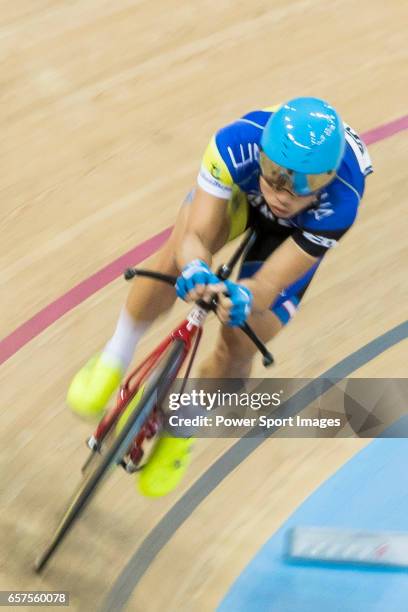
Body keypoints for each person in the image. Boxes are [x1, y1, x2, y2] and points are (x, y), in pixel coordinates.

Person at [67, 97, 372, 497]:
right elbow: (196, 236)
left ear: (328, 178)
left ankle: (185, 423)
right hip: (241, 198)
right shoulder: (234, 146)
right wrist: (195, 267)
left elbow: (267, 284)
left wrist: (243, 299)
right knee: (173, 260)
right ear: (262, 155)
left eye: (305, 184)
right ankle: (115, 354)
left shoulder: (341, 202)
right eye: (276, 173)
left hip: (293, 235)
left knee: (242, 337)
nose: (283, 193)